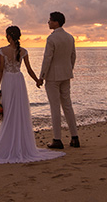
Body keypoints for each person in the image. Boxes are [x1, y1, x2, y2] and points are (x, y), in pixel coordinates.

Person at [0, 26, 65, 164]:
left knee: (9, 111)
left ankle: (9, 140)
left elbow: (0, 70)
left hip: (8, 81)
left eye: (6, 34)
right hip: (19, 81)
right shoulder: (23, 51)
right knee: (19, 111)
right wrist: (37, 81)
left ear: (9, 36)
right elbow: (29, 70)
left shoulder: (3, 51)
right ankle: (18, 141)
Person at [36, 11, 79, 149]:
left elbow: (47, 58)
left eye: (50, 20)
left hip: (53, 77)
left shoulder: (52, 39)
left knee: (55, 107)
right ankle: (74, 137)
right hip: (66, 75)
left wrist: (41, 76)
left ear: (56, 22)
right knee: (67, 106)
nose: (48, 22)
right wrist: (68, 69)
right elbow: (73, 56)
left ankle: (57, 139)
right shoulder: (70, 37)